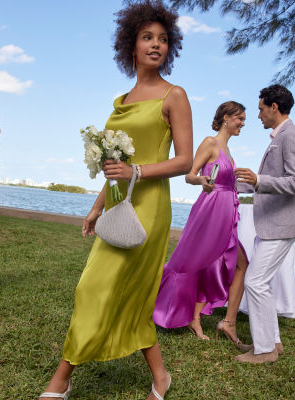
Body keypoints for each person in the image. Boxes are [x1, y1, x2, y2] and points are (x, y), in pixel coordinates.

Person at [39, 1, 192, 399]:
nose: (155, 45)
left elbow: (185, 161)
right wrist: (94, 208)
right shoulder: (121, 101)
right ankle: (160, 376)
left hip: (150, 207)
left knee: (120, 288)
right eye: (147, 38)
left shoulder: (174, 96)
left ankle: (61, 378)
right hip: (118, 204)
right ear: (131, 45)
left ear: (169, 47)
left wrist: (138, 171)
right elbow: (114, 167)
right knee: (97, 287)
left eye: (162, 39)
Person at [153, 101, 250, 349]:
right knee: (196, 260)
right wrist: (202, 181)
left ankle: (195, 318)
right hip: (210, 209)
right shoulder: (210, 143)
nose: (242, 124)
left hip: (227, 211)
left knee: (217, 262)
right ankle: (173, 310)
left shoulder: (228, 150)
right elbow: (190, 175)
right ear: (226, 117)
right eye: (240, 119)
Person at [234, 84, 295, 363]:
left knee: (255, 282)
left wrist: (258, 180)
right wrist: (235, 184)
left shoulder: (293, 136)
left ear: (274, 107)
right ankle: (273, 343)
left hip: (283, 223)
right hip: (274, 223)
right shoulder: (280, 137)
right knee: (261, 282)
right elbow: (269, 182)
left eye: (260, 109)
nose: (258, 116)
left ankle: (265, 350)